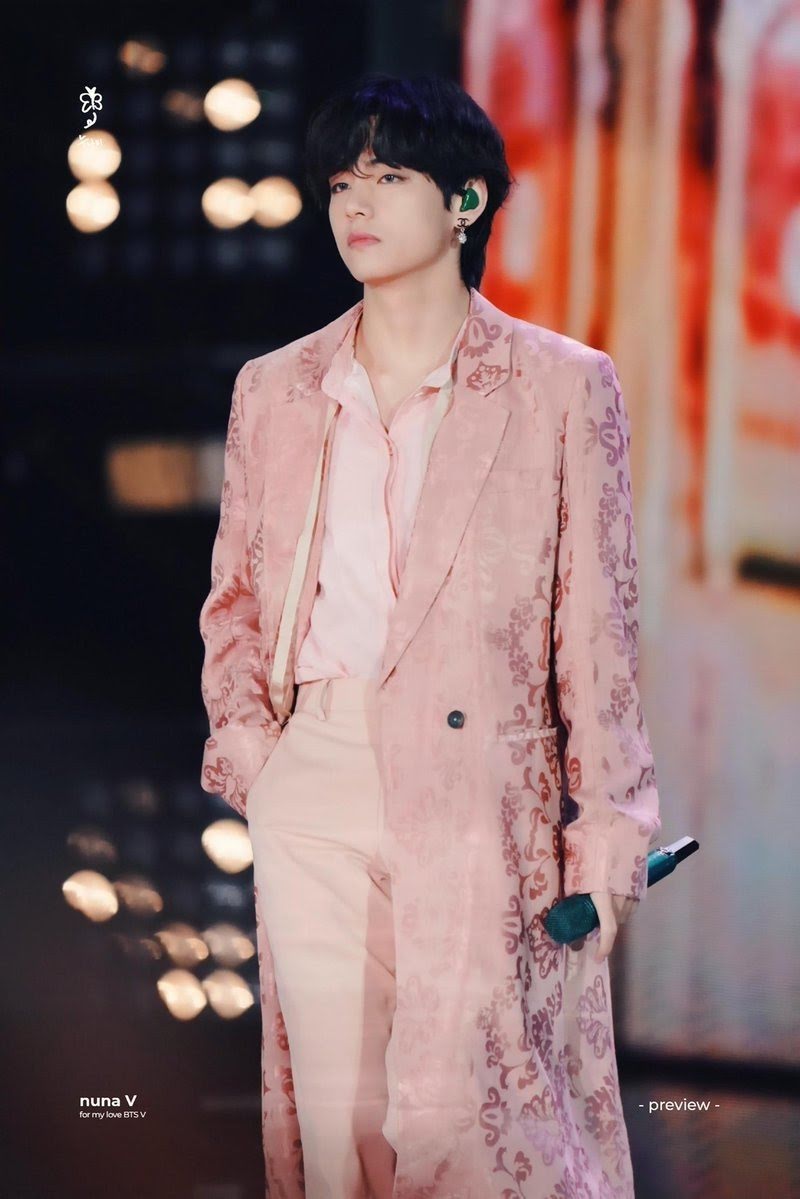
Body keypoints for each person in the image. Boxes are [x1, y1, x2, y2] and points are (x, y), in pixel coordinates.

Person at [199, 72, 661, 1199]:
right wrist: (259, 760)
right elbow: (236, 603)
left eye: (388, 177)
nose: (354, 204)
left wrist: (608, 834)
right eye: (339, 183)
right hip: (317, 772)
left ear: (465, 200)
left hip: (483, 788)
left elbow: (597, 632)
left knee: (474, 1126)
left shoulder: (561, 387)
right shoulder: (276, 389)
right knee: (342, 1130)